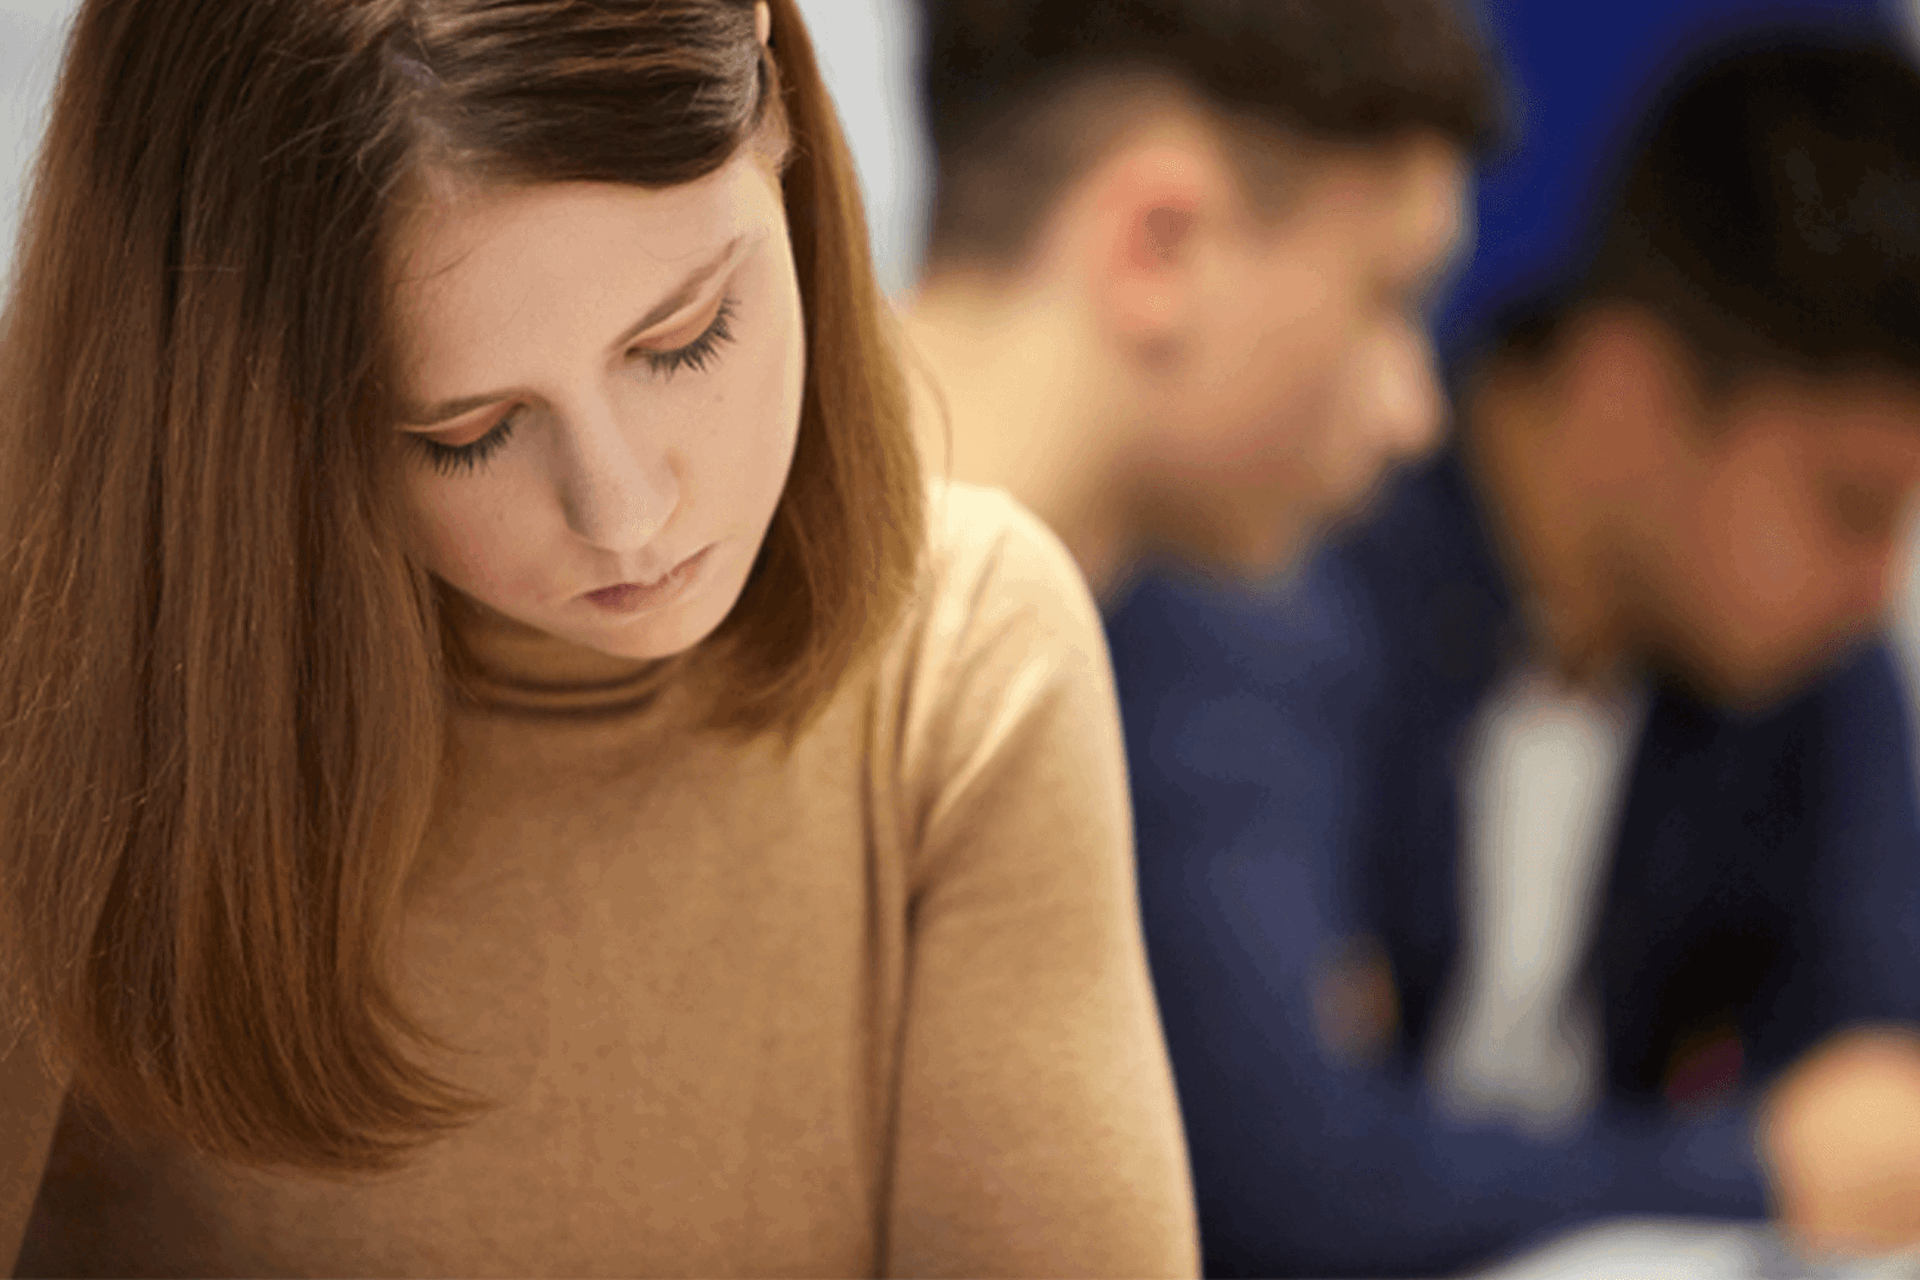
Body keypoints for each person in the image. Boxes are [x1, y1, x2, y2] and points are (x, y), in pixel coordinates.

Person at [0, 2, 1198, 1275]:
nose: (627, 516)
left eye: (686, 339)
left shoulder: (964, 659)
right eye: (463, 431)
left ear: (773, 87)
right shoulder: (51, 696)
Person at [1107, 34, 1920, 1278]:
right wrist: (1757, 1165)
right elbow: (1279, 1179)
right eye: (1852, 506)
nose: (1878, 584)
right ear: (1634, 390)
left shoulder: (1802, 665)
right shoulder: (1276, 561)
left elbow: (1880, 1105)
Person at [901, 0, 1503, 597]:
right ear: (1159, 249)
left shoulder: (902, 620)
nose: (1416, 418)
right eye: (1388, 298)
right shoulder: (905, 648)